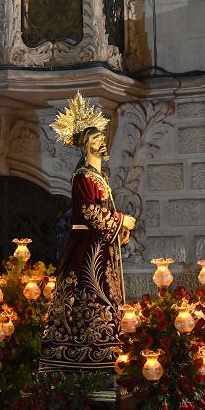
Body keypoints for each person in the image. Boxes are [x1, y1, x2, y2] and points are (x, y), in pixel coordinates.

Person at [40, 94, 136, 372]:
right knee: (87, 290)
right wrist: (122, 221)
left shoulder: (100, 177)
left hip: (100, 244)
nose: (101, 142)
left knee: (105, 290)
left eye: (102, 138)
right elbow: (91, 212)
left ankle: (107, 345)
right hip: (87, 245)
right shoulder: (83, 176)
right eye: (95, 139)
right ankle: (84, 347)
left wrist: (120, 228)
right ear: (85, 145)